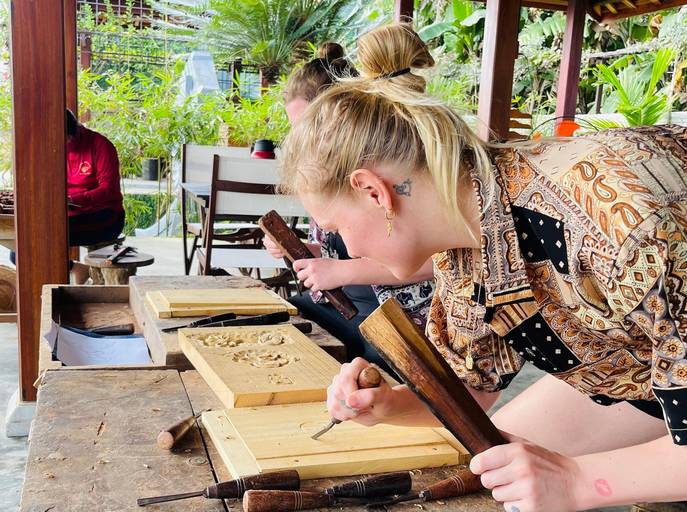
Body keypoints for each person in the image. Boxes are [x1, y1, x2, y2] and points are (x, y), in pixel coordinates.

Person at [279, 22, 687, 512]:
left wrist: (580, 482)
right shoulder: (462, 243)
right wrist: (389, 404)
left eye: (334, 225)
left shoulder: (622, 220)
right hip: (643, 372)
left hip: (660, 354)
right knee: (500, 479)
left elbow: (570, 480)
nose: (338, 245)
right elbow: (471, 391)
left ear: (374, 192)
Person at [266, 43, 436, 372]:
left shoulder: (395, 166)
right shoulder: (323, 170)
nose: (301, 138)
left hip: (398, 312)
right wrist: (309, 252)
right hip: (343, 304)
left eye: (308, 124)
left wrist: (343, 270)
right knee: (282, 326)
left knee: (373, 374)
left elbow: (442, 259)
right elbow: (341, 249)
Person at [65, 109, 125, 282]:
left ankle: (66, 279)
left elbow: (109, 190)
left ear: (74, 130)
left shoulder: (100, 145)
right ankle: (76, 268)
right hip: (70, 215)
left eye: (66, 140)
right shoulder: (52, 148)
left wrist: (73, 200)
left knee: (53, 234)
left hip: (106, 215)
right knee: (18, 249)